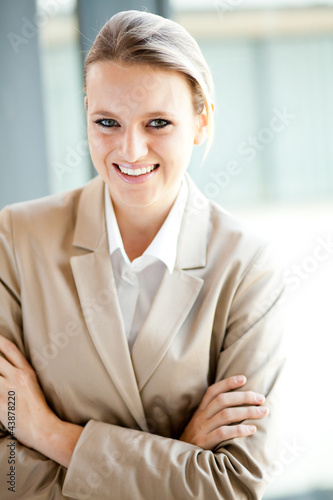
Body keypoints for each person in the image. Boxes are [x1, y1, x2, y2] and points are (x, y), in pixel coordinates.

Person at [0, 9, 285, 500]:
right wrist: (178, 455)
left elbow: (232, 485)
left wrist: (49, 433)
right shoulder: (17, 238)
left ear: (201, 121)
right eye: (107, 122)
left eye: (158, 122)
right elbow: (5, 469)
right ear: (86, 111)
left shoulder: (247, 268)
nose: (130, 151)